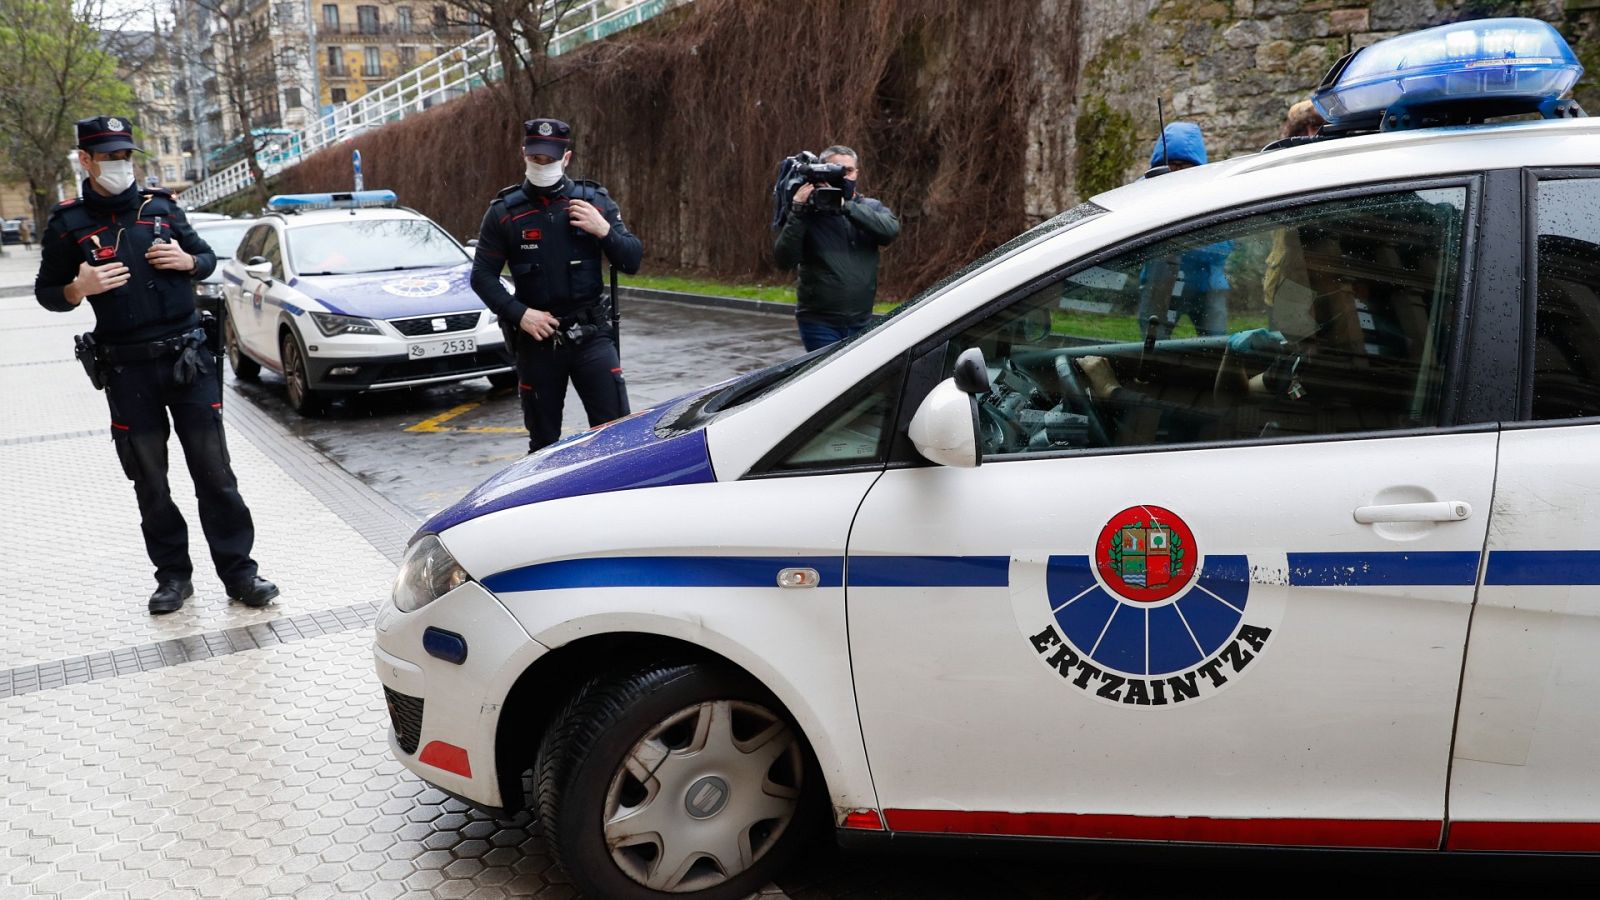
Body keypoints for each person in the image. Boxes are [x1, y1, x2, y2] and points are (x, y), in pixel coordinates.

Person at [33, 116, 277, 615]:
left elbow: (206, 258)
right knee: (150, 480)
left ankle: (240, 575)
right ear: (86, 160)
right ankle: (173, 578)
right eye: (109, 157)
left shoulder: (161, 207)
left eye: (126, 155)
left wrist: (189, 263)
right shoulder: (68, 223)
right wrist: (79, 288)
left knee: (215, 474)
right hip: (128, 372)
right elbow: (47, 293)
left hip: (188, 361)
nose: (121, 165)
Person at [469, 117, 642, 453]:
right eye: (536, 157)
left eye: (550, 158)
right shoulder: (504, 213)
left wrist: (604, 230)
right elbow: (482, 276)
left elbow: (631, 261)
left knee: (616, 434)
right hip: (537, 341)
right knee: (543, 443)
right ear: (523, 153)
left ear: (567, 158)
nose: (542, 164)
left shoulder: (593, 201)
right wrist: (520, 314)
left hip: (591, 336)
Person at [773, 145, 900, 352]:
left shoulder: (869, 206)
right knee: (832, 372)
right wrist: (797, 212)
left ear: (856, 173)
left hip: (862, 321)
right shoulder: (808, 212)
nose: (843, 176)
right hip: (819, 323)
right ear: (822, 171)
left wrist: (846, 206)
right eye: (836, 170)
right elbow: (784, 259)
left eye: (848, 170)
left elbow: (890, 231)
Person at [1138, 123, 1230, 338]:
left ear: (1196, 166)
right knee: (1152, 343)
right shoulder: (1144, 191)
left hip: (1207, 285)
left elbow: (1224, 245)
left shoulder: (1216, 194)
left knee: (1217, 346)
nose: (1177, 171)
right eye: (1171, 165)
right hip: (1160, 283)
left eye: (1183, 165)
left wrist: (1178, 243)